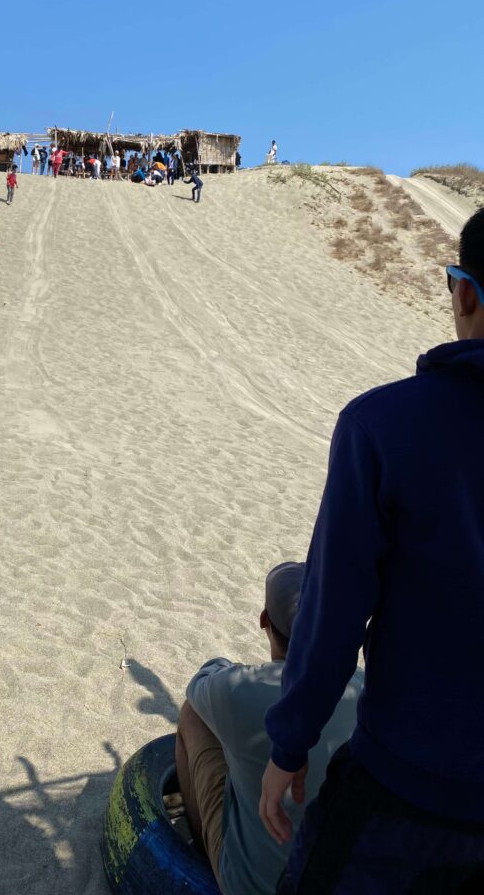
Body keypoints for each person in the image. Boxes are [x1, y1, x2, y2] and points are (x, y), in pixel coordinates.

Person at [259, 209, 484, 893]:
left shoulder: (382, 425)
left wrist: (289, 745)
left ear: (466, 293)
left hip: (405, 788)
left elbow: (333, 611)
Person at [178, 562, 361, 895]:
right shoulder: (362, 687)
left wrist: (231, 669)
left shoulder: (238, 690)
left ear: (264, 621)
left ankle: (203, 853)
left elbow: (199, 683)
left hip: (252, 886)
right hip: (338, 879)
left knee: (193, 715)